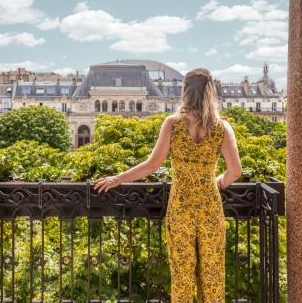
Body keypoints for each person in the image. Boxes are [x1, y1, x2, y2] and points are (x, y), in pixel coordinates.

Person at [94, 67, 242, 302]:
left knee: (182, 277)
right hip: (210, 208)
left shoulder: (173, 124)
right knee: (213, 277)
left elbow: (152, 165)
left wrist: (117, 179)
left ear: (184, 91)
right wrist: (219, 182)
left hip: (181, 208)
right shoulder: (222, 128)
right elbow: (235, 172)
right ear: (211, 92)